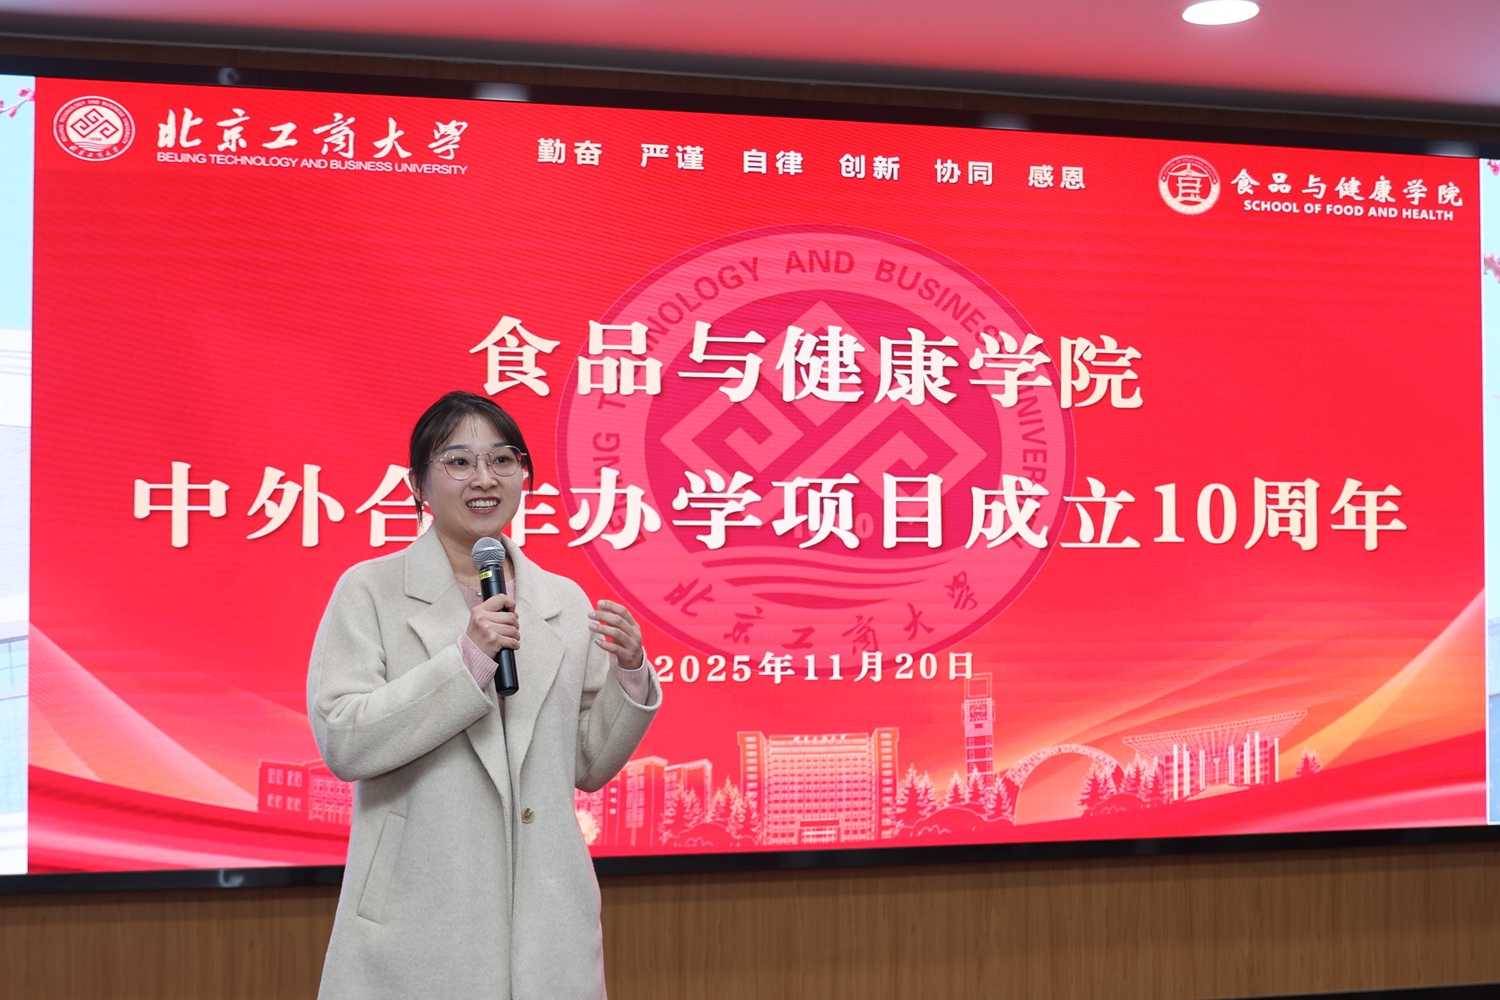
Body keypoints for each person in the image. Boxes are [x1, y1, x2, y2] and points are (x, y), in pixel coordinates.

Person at [308, 391, 661, 1000]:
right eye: (459, 461)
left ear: (524, 476)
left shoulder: (562, 600)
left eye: (502, 460)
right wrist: (465, 663)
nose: (484, 479)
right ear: (418, 484)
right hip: (418, 916)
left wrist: (629, 676)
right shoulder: (370, 590)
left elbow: (586, 764)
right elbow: (344, 737)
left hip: (546, 918)